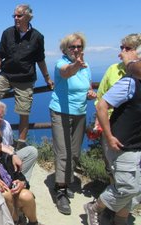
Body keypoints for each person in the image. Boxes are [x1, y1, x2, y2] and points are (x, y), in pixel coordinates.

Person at [84, 48, 141, 225]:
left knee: (135, 188)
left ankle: (120, 219)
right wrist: (108, 136)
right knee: (127, 187)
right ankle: (95, 208)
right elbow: (101, 105)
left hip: (136, 143)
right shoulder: (130, 83)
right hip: (123, 144)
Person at [0, 4, 53, 150]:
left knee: (23, 112)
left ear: (28, 16)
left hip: (25, 79)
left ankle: (20, 145)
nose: (16, 18)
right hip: (7, 75)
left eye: (19, 15)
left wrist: (47, 78)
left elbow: (40, 59)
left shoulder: (37, 37)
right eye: (14, 16)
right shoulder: (7, 33)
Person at [49, 32, 96, 215]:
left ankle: (66, 180)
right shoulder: (61, 63)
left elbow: (88, 86)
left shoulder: (86, 66)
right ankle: (60, 191)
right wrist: (77, 64)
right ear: (65, 49)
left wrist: (90, 94)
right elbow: (67, 73)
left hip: (80, 112)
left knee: (75, 152)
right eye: (72, 47)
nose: (76, 49)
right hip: (60, 112)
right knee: (63, 151)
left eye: (79, 47)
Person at [94, 34, 141, 181]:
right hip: (112, 126)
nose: (123, 52)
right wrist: (100, 122)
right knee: (112, 165)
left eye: (128, 48)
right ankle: (111, 196)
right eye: (122, 47)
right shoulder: (113, 69)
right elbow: (101, 96)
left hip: (135, 130)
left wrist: (130, 64)